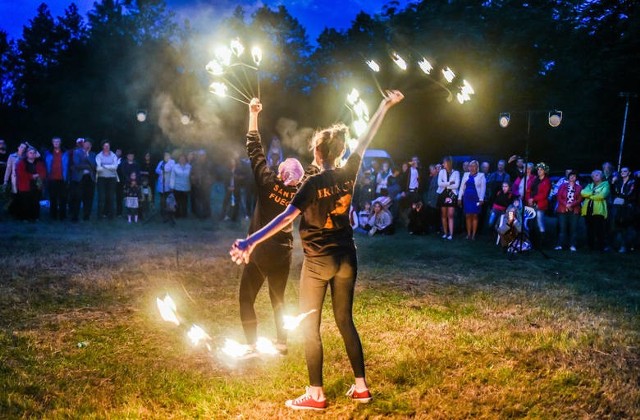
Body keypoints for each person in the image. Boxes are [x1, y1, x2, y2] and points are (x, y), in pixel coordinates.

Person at [230, 90, 404, 410]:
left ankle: (316, 395)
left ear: (319, 152)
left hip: (318, 261)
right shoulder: (350, 170)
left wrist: (250, 241)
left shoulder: (310, 184)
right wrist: (384, 105)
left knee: (310, 328)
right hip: (347, 257)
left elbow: (285, 219)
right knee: (344, 321)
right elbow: (366, 136)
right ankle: (361, 387)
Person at [237, 98, 305, 358]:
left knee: (246, 297)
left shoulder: (267, 182)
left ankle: (251, 345)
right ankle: (282, 343)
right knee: (278, 299)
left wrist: (253, 114)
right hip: (283, 252)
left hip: (260, 251)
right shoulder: (300, 192)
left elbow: (254, 148)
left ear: (280, 174)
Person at [581, 170, 610, 252]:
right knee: (589, 229)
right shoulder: (590, 185)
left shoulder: (606, 184)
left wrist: (590, 196)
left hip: (598, 210)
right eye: (593, 176)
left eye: (597, 175)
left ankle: (601, 247)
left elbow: (602, 195)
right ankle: (590, 246)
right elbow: (583, 193)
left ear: (601, 176)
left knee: (599, 229)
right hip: (588, 210)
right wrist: (593, 193)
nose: (594, 177)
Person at [15, 146, 47, 221]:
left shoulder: (39, 163)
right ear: (27, 154)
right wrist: (32, 176)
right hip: (25, 186)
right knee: (25, 203)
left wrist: (39, 175)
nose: (32, 154)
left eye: (34, 153)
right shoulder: (21, 163)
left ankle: (35, 217)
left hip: (36, 186)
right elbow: (21, 174)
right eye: (30, 153)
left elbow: (44, 173)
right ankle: (25, 218)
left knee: (35, 202)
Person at [554, 171, 583, 251]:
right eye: (571, 176)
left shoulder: (579, 187)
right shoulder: (562, 186)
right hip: (563, 209)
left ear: (576, 178)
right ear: (568, 177)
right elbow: (559, 197)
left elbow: (580, 199)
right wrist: (566, 204)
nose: (572, 177)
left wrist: (571, 205)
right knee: (562, 228)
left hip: (574, 210)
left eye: (574, 176)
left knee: (573, 229)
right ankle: (560, 245)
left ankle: (573, 245)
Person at [458, 160, 486, 240]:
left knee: (475, 216)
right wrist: (459, 198)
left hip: (476, 198)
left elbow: (483, 188)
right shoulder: (465, 175)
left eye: (474, 166)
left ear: (477, 167)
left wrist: (481, 199)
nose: (472, 168)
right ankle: (468, 234)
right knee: (467, 215)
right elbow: (461, 187)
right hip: (467, 198)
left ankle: (473, 235)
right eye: (470, 166)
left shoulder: (481, 175)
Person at [70, 139, 96, 222]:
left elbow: (94, 166)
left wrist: (87, 157)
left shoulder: (92, 154)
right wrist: (88, 166)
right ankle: (75, 216)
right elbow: (77, 165)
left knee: (88, 198)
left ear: (91, 146)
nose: (87, 146)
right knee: (77, 197)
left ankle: (86, 216)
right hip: (79, 178)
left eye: (89, 144)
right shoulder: (77, 152)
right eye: (86, 144)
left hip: (90, 178)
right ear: (83, 145)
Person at [611, 167, 636, 253]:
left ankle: (626, 246)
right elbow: (614, 192)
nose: (622, 173)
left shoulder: (632, 182)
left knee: (626, 227)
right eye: (621, 171)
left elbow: (632, 194)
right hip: (618, 207)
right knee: (617, 226)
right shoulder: (618, 182)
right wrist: (613, 183)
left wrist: (623, 199)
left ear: (629, 172)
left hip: (627, 208)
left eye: (625, 171)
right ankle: (618, 245)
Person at [44, 137, 69, 221]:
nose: (56, 143)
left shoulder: (65, 152)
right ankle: (53, 215)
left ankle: (62, 216)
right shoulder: (48, 153)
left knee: (63, 198)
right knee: (53, 198)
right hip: (52, 178)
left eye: (58, 141)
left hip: (62, 178)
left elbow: (68, 166)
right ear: (52, 142)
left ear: (60, 142)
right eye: (54, 141)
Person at [527, 163, 552, 245]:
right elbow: (530, 190)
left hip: (540, 204)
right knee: (531, 222)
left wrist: (533, 199)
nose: (539, 171)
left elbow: (544, 194)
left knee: (540, 222)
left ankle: (542, 242)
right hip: (532, 204)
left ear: (545, 171)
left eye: (541, 170)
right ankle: (532, 241)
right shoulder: (535, 179)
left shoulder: (547, 181)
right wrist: (530, 199)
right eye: (538, 169)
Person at [437, 156, 460, 240]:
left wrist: (445, 184)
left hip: (452, 195)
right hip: (443, 194)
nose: (443, 164)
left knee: (450, 215)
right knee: (443, 215)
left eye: (444, 162)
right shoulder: (441, 172)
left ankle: (451, 234)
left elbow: (457, 185)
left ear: (449, 163)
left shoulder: (456, 172)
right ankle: (445, 233)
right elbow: (439, 183)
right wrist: (450, 182)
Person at [95, 140, 119, 220]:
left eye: (108, 146)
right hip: (101, 179)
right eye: (105, 146)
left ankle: (111, 215)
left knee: (111, 197)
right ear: (102, 147)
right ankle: (100, 216)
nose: (106, 147)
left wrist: (104, 165)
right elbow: (99, 168)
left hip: (112, 178)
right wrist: (109, 166)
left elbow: (115, 167)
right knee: (101, 197)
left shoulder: (113, 155)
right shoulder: (98, 156)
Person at [169, 154, 191, 218]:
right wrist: (171, 186)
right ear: (178, 159)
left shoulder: (189, 167)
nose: (182, 160)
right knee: (177, 202)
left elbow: (191, 177)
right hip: (177, 187)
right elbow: (172, 178)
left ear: (185, 159)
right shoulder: (175, 167)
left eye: (183, 158)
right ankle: (177, 214)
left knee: (184, 202)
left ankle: (184, 214)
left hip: (186, 188)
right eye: (180, 158)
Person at [155, 152, 175, 220]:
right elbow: (157, 170)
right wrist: (162, 171)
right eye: (165, 155)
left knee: (168, 199)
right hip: (161, 183)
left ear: (170, 156)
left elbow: (168, 169)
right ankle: (162, 212)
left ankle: (168, 213)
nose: (166, 156)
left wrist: (162, 170)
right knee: (162, 199)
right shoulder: (161, 162)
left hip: (168, 184)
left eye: (167, 155)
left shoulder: (172, 162)